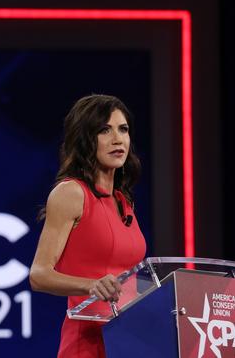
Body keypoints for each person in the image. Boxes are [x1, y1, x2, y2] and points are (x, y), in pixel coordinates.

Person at [29, 94, 146, 358]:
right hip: (89, 344)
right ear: (85, 139)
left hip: (129, 341)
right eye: (104, 130)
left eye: (123, 129)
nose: (118, 139)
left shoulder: (123, 201)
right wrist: (91, 285)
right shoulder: (71, 193)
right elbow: (38, 275)